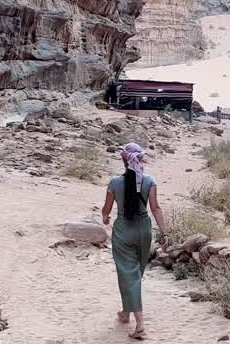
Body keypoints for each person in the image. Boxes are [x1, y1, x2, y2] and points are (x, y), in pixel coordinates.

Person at [102, 142, 168, 339]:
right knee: (135, 274)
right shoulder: (149, 181)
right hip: (144, 230)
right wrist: (164, 232)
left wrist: (105, 218)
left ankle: (139, 325)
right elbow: (155, 208)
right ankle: (125, 313)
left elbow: (106, 210)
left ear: (123, 160)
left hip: (123, 230)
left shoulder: (115, 183)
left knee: (128, 275)